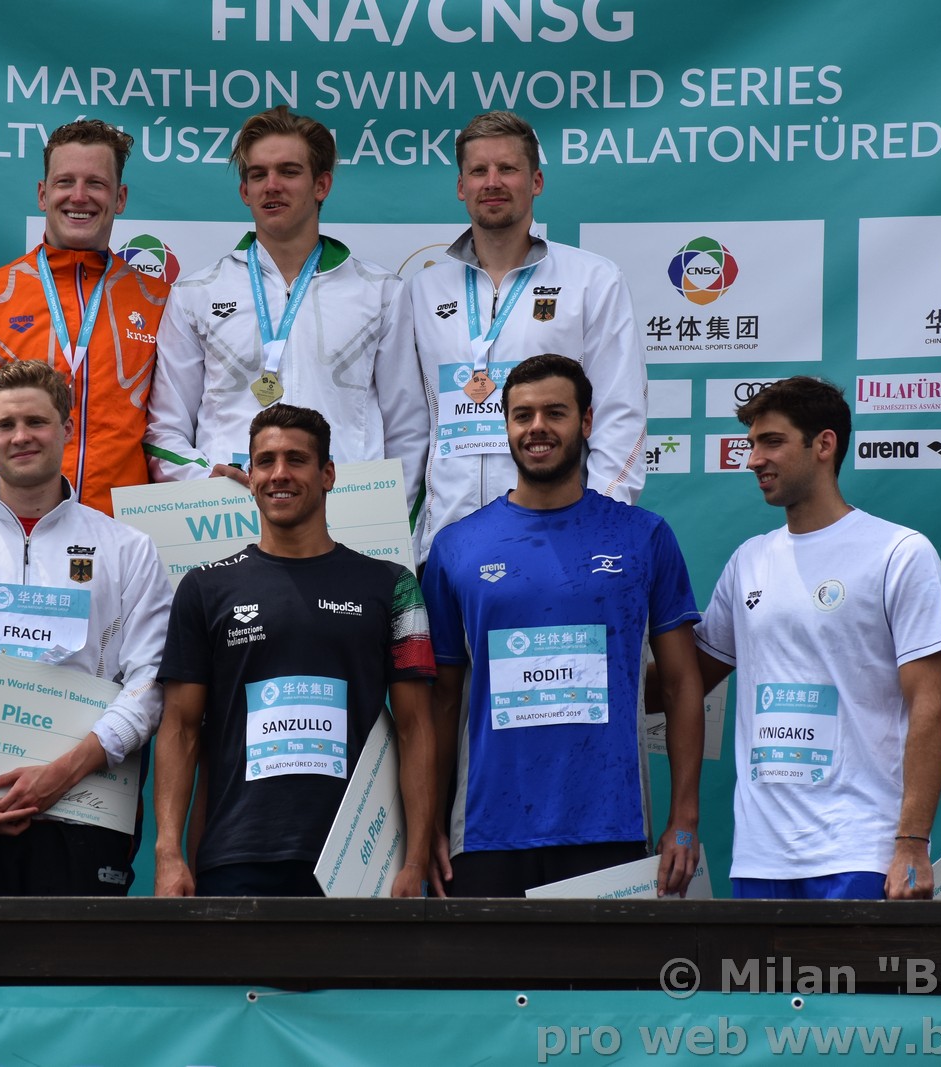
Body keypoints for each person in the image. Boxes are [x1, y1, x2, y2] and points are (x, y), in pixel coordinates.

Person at [420, 355, 703, 898]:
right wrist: (428, 823)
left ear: (587, 421)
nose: (537, 428)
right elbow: (442, 699)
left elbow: (682, 684)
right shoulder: (456, 547)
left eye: (555, 412)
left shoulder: (642, 536)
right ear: (505, 426)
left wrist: (684, 817)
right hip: (484, 835)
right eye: (522, 415)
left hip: (612, 826)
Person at [0, 360, 172, 895]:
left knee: (75, 954)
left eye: (37, 422)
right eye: (5, 425)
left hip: (87, 813)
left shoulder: (128, 549)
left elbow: (149, 682)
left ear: (67, 429)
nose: (21, 437)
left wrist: (65, 771)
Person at [152, 403, 437, 897]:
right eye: (265, 461)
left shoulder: (393, 586)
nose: (279, 474)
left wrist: (414, 860)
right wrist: (169, 854)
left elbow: (416, 728)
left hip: (358, 861)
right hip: (236, 856)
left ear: (328, 475)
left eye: (297, 459)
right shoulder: (203, 589)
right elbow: (179, 727)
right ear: (250, 476)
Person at [693, 376, 941, 900]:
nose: (753, 460)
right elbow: (685, 683)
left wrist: (912, 842)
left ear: (824, 444)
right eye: (751, 444)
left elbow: (932, 705)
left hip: (859, 851)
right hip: (760, 856)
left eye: (772, 442)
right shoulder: (748, 561)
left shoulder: (899, 552)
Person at [144, 105, 429, 516]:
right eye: (258, 174)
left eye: (289, 172)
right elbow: (165, 431)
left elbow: (408, 430)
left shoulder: (380, 291)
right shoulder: (196, 293)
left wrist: (386, 524)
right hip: (230, 521)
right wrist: (205, 484)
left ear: (321, 185)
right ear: (244, 192)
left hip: (347, 520)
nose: (272, 185)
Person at [0, 118, 167, 521]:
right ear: (43, 194)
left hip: (123, 540)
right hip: (11, 535)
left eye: (96, 184)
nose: (79, 196)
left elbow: (176, 437)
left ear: (120, 198)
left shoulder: (161, 303)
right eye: (65, 182)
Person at [412, 111, 646, 557]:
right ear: (461, 187)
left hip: (560, 540)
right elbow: (410, 427)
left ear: (536, 181)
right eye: (478, 171)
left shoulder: (593, 280)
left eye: (508, 168)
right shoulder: (422, 291)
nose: (492, 182)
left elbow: (619, 413)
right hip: (448, 544)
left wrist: (599, 525)